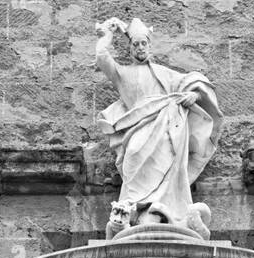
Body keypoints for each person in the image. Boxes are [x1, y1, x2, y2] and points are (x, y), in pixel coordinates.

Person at [95, 16, 223, 235]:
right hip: (137, 129)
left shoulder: (163, 74)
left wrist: (193, 95)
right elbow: (102, 58)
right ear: (130, 49)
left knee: (168, 165)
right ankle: (133, 211)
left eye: (144, 43)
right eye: (135, 44)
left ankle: (169, 210)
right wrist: (107, 34)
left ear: (150, 46)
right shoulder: (123, 75)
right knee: (134, 153)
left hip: (167, 129)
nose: (140, 47)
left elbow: (192, 82)